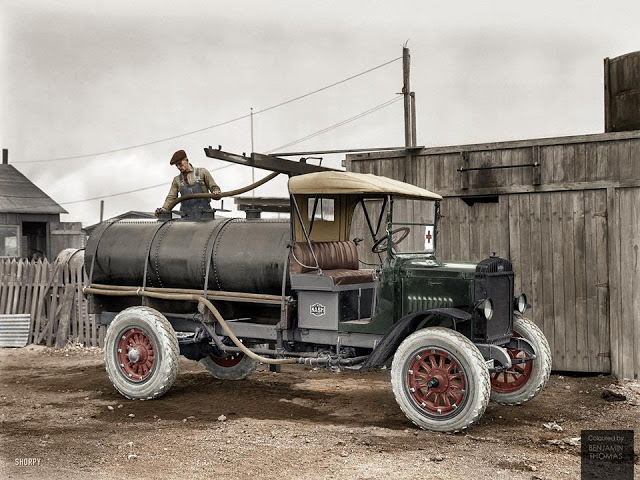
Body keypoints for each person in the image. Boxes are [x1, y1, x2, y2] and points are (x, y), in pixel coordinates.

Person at [155, 149, 221, 219]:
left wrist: (216, 192)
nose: (178, 167)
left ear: (186, 160)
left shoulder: (202, 172)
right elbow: (171, 197)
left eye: (180, 164)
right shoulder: (176, 180)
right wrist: (164, 209)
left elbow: (214, 188)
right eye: (176, 165)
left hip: (205, 216)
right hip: (186, 219)